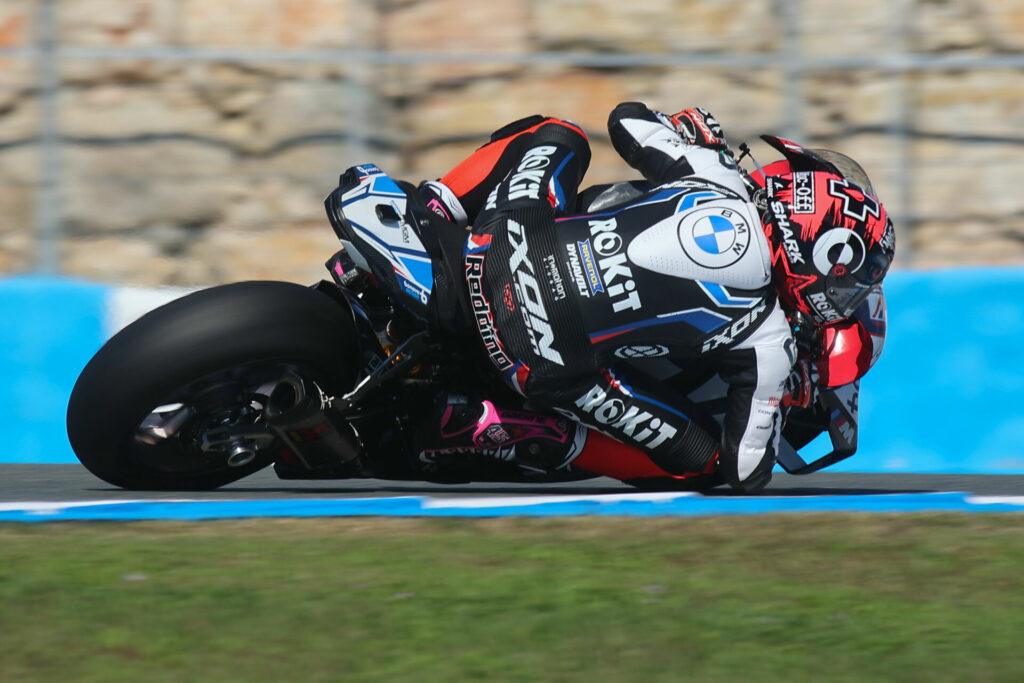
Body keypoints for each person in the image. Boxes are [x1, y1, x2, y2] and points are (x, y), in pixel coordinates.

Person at [415, 102, 895, 492]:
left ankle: (435, 209)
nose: (843, 296)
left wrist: (688, 129)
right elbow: (745, 471)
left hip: (495, 248)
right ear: (814, 252)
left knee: (560, 133)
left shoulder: (716, 173)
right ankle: (534, 433)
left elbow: (624, 118)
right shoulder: (770, 340)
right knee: (703, 461)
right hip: (538, 360)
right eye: (846, 281)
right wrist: (782, 401)